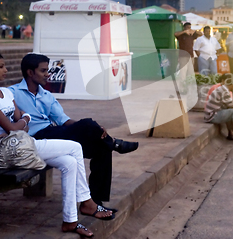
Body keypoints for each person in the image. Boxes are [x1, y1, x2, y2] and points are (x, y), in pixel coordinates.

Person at [0, 52, 114, 238]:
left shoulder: (6, 93)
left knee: (69, 162)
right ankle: (87, 202)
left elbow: (20, 121)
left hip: (21, 145)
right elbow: (13, 126)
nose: (6, 70)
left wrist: (22, 122)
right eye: (1, 66)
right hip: (5, 152)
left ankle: (70, 221)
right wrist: (22, 122)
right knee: (75, 147)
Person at [9, 53, 138, 206]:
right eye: (43, 71)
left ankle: (96, 202)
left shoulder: (46, 95)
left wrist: (94, 129)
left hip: (54, 133)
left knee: (101, 147)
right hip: (36, 138)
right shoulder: (12, 93)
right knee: (89, 125)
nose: (48, 74)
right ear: (30, 73)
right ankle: (114, 142)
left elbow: (64, 121)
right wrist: (89, 127)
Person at [204, 73, 233, 144]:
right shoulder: (224, 91)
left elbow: (228, 106)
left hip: (212, 114)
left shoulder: (223, 89)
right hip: (212, 115)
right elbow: (232, 106)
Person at [174, 22, 202, 89]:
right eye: (187, 27)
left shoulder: (191, 35)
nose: (189, 29)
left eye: (189, 27)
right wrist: (184, 32)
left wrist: (194, 31)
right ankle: (182, 87)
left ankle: (189, 87)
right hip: (183, 56)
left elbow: (201, 34)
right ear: (184, 27)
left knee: (190, 72)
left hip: (191, 56)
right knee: (183, 72)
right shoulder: (181, 35)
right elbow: (175, 34)